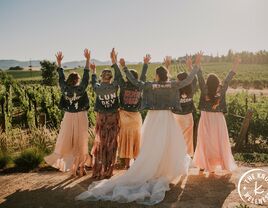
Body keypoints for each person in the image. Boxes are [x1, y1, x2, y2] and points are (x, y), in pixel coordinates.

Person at [76, 52, 202, 205]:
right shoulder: (172, 85)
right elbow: (188, 80)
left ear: (157, 76)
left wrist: (123, 67)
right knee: (167, 144)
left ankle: (152, 169)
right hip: (167, 118)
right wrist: (196, 66)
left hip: (154, 118)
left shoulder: (150, 85)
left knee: (152, 145)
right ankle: (162, 170)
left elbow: (136, 82)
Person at [45, 49, 91, 177]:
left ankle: (73, 167)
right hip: (81, 116)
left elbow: (60, 77)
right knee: (81, 141)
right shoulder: (81, 88)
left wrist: (59, 63)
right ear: (77, 79)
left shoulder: (64, 88)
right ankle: (81, 167)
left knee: (69, 142)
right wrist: (87, 60)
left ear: (69, 80)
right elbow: (87, 76)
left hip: (69, 117)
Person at [193, 57, 241, 173]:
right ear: (217, 82)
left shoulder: (204, 89)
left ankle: (204, 164)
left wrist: (197, 63)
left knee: (205, 141)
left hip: (206, 117)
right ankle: (218, 163)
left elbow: (199, 76)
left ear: (208, 82)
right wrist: (235, 64)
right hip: (218, 118)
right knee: (218, 141)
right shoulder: (221, 89)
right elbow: (229, 78)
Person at [110, 48, 150, 169]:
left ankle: (127, 164)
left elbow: (117, 74)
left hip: (124, 115)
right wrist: (146, 64)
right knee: (136, 138)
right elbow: (143, 76)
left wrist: (114, 61)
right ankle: (137, 163)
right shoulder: (139, 86)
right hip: (136, 116)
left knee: (126, 139)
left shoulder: (124, 85)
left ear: (127, 78)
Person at [90, 58, 120, 179]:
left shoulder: (97, 88)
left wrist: (93, 71)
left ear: (101, 77)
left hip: (102, 118)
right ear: (111, 78)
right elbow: (118, 75)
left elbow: (93, 81)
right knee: (112, 143)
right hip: (113, 117)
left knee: (101, 143)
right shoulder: (114, 86)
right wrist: (115, 61)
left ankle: (99, 169)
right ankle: (109, 169)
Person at [171, 56, 197, 157]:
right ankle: (187, 156)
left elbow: (167, 81)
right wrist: (190, 66)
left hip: (176, 116)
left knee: (176, 137)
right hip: (188, 116)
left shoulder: (175, 88)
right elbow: (194, 78)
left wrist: (167, 66)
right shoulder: (192, 87)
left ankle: (176, 156)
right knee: (188, 138)